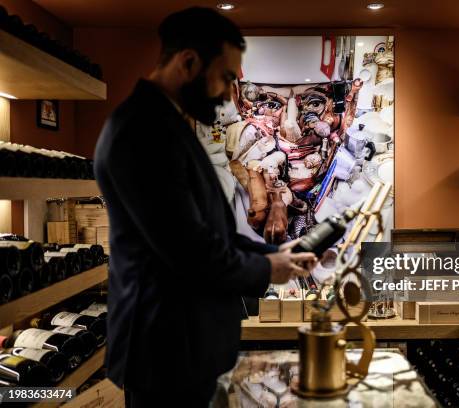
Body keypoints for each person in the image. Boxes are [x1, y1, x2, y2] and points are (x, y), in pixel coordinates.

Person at [94, 7, 316, 407]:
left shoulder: (168, 124)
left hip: (184, 350)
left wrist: (276, 254)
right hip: (164, 355)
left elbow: (213, 233)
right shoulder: (142, 130)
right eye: (227, 77)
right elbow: (191, 251)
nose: (229, 94)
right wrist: (269, 269)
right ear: (189, 62)